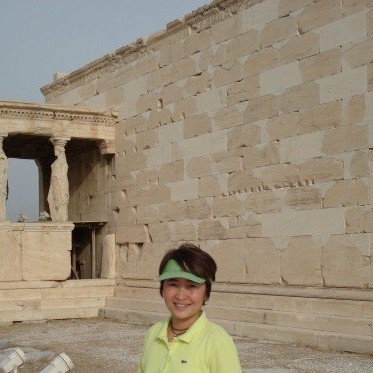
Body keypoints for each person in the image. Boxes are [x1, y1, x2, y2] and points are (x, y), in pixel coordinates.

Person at [137, 243, 242, 373]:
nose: (180, 296)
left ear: (206, 294)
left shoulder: (218, 342)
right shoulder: (153, 334)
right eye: (173, 284)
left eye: (192, 286)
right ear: (162, 288)